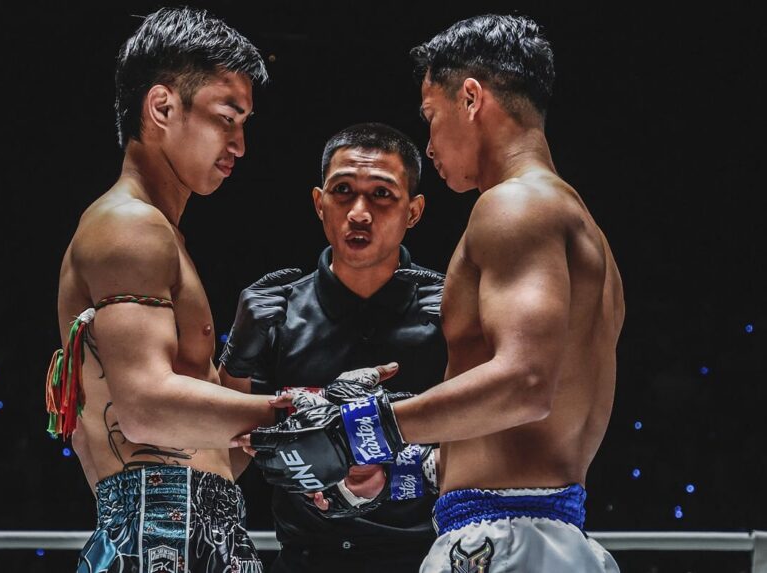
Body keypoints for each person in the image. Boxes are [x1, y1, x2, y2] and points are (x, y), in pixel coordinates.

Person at [242, 14, 625, 572]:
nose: (430, 142)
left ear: (471, 98)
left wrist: (360, 434)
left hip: (504, 542)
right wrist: (401, 469)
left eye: (431, 116)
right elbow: (524, 433)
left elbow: (527, 383)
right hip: (530, 530)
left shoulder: (515, 206)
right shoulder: (578, 224)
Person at [46, 8, 277, 572]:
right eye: (228, 117)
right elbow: (147, 411)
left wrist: (243, 361)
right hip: (156, 534)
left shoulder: (163, 236)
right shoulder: (129, 227)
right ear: (163, 107)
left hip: (197, 525)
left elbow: (214, 458)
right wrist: (286, 412)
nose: (240, 144)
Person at [219, 123, 448, 572]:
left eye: (382, 194)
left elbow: (487, 440)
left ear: (414, 212)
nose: (359, 212)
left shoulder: (449, 310)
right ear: (319, 204)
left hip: (423, 561)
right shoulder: (277, 311)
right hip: (304, 561)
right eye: (343, 190)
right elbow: (226, 460)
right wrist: (236, 358)